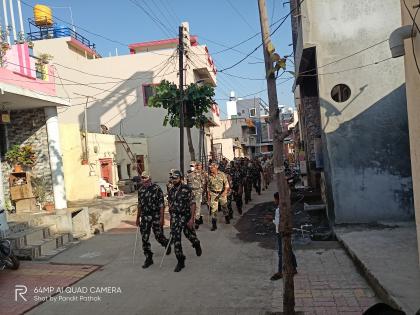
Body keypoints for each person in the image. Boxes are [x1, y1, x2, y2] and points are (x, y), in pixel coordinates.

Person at [168, 170, 202, 272]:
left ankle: (196, 244)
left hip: (186, 216)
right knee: (176, 239)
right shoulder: (171, 190)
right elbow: (170, 204)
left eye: (176, 178)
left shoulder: (187, 189)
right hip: (175, 217)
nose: (173, 180)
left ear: (181, 179)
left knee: (190, 235)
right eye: (172, 178)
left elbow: (192, 204)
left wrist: (192, 219)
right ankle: (180, 261)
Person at [136, 171, 171, 269]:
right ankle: (148, 257)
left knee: (158, 235)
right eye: (142, 178)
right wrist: (137, 218)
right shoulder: (141, 190)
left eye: (145, 178)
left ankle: (166, 243)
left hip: (155, 215)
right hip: (145, 217)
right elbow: (139, 205)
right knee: (144, 238)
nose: (144, 180)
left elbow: (161, 205)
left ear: (150, 179)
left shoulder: (156, 189)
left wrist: (162, 218)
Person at [271, 192, 297, 280]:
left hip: (280, 232)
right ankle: (294, 267)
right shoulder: (285, 208)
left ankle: (280, 271)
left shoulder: (278, 210)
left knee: (281, 253)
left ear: (278, 200)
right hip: (286, 231)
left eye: (275, 199)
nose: (274, 201)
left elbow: (278, 223)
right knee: (288, 248)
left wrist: (272, 220)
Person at [207, 162, 230, 231]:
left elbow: (226, 184)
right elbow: (208, 187)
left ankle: (227, 217)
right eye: (210, 167)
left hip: (222, 194)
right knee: (214, 210)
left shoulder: (222, 174)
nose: (210, 169)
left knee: (224, 207)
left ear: (216, 167)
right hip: (213, 194)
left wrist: (225, 191)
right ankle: (214, 225)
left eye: (212, 167)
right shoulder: (209, 176)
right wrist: (208, 195)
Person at [186, 161, 207, 229]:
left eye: (192, 166)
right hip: (190, 192)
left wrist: (203, 192)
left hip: (198, 191)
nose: (191, 167)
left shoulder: (199, 173)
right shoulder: (188, 173)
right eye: (190, 166)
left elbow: (203, 183)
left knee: (198, 206)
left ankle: (197, 221)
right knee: (190, 206)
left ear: (195, 166)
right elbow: (186, 183)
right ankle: (191, 219)